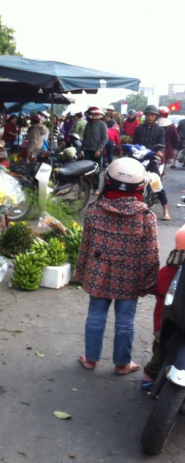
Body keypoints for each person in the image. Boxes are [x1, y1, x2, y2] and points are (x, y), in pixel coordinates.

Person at [76, 157, 159, 375]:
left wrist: (81, 273)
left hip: (97, 274)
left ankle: (90, 359)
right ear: (141, 187)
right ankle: (122, 364)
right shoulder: (145, 216)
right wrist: (148, 283)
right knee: (125, 321)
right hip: (129, 278)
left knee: (95, 316)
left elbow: (85, 246)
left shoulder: (94, 210)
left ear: (108, 181)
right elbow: (151, 255)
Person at [141, 225, 185, 390]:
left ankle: (149, 378)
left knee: (159, 353)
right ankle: (149, 379)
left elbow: (155, 288)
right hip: (169, 325)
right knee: (160, 356)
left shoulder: (167, 271)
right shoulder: (174, 274)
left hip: (162, 325)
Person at [133, 105, 170, 220]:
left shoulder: (159, 130)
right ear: (145, 116)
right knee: (132, 180)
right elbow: (134, 142)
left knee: (156, 183)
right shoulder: (139, 128)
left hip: (152, 159)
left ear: (156, 116)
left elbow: (162, 144)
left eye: (152, 115)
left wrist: (159, 151)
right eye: (148, 114)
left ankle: (165, 209)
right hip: (139, 159)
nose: (149, 117)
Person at [82, 107, 108, 193]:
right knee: (86, 170)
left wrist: (99, 149)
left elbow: (105, 138)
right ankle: (86, 187)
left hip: (96, 151)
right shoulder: (88, 124)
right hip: (87, 150)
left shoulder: (102, 124)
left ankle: (96, 188)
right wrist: (81, 150)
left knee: (96, 170)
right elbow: (85, 138)